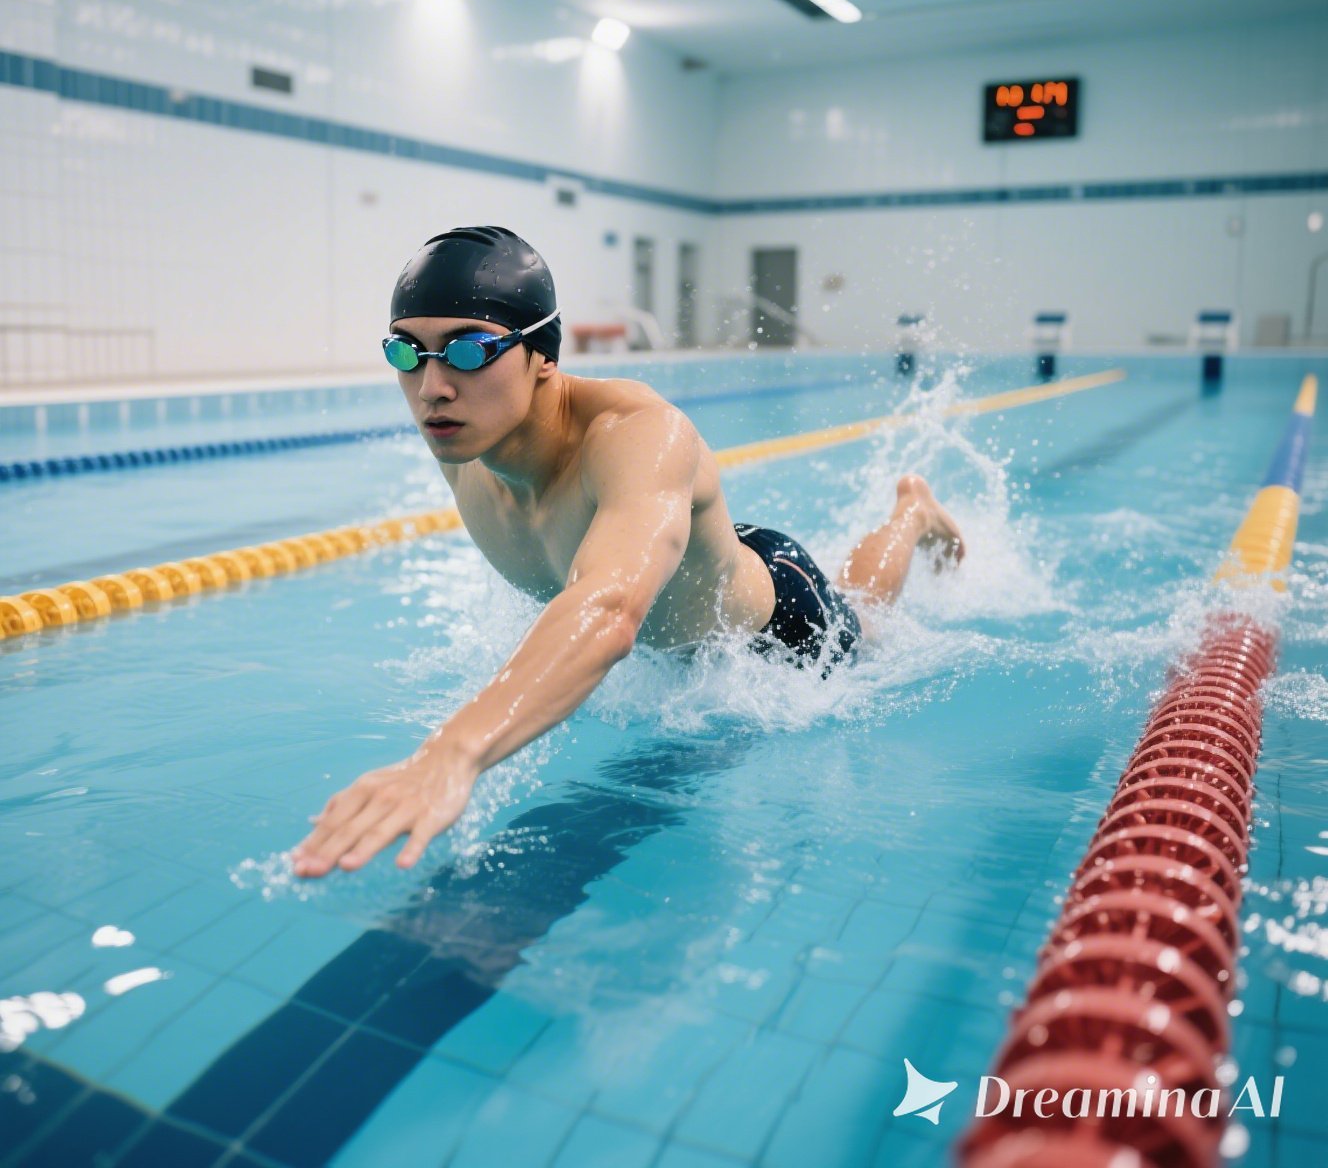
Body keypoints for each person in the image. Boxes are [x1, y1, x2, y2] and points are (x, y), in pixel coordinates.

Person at [291, 227, 964, 879]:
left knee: (868, 618)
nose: (433, 386)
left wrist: (452, 754)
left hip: (772, 623)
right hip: (659, 555)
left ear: (543, 355)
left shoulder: (639, 434)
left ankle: (911, 513)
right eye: (408, 353)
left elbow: (609, 607)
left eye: (469, 352)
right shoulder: (464, 437)